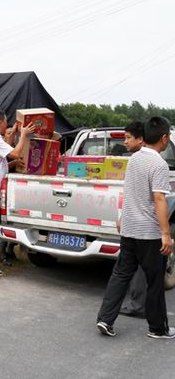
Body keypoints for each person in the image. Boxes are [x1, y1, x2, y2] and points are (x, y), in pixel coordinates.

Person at [96, 116, 174, 339]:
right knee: (155, 280)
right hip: (149, 233)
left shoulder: (134, 159)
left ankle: (105, 319)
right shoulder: (159, 164)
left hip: (129, 229)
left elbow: (129, 192)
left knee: (121, 275)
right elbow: (159, 199)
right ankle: (158, 328)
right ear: (164, 138)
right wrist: (166, 234)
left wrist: (122, 217)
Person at [0, 111, 34, 276]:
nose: (7, 125)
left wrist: (14, 162)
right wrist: (23, 135)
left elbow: (1, 161)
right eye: (6, 122)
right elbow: (15, 152)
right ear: (1, 122)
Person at [118, 120, 148, 318]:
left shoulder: (141, 161)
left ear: (141, 139)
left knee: (138, 267)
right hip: (138, 223)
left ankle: (138, 305)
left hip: (141, 225)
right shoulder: (138, 160)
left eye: (128, 137)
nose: (125, 141)